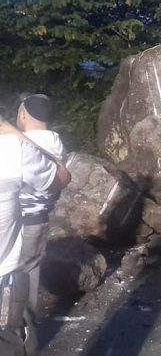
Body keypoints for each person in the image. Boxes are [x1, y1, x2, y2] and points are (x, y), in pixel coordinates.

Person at [0, 114, 69, 355]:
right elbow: (62, 176)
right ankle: (25, 333)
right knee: (28, 273)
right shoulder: (14, 147)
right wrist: (13, 133)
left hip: (28, 224)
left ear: (23, 114)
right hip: (33, 222)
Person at [16, 95, 66, 355]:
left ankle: (16, 339)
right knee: (29, 277)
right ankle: (29, 338)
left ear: (24, 113)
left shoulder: (21, 145)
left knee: (11, 281)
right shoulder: (55, 142)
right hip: (40, 219)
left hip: (16, 223)